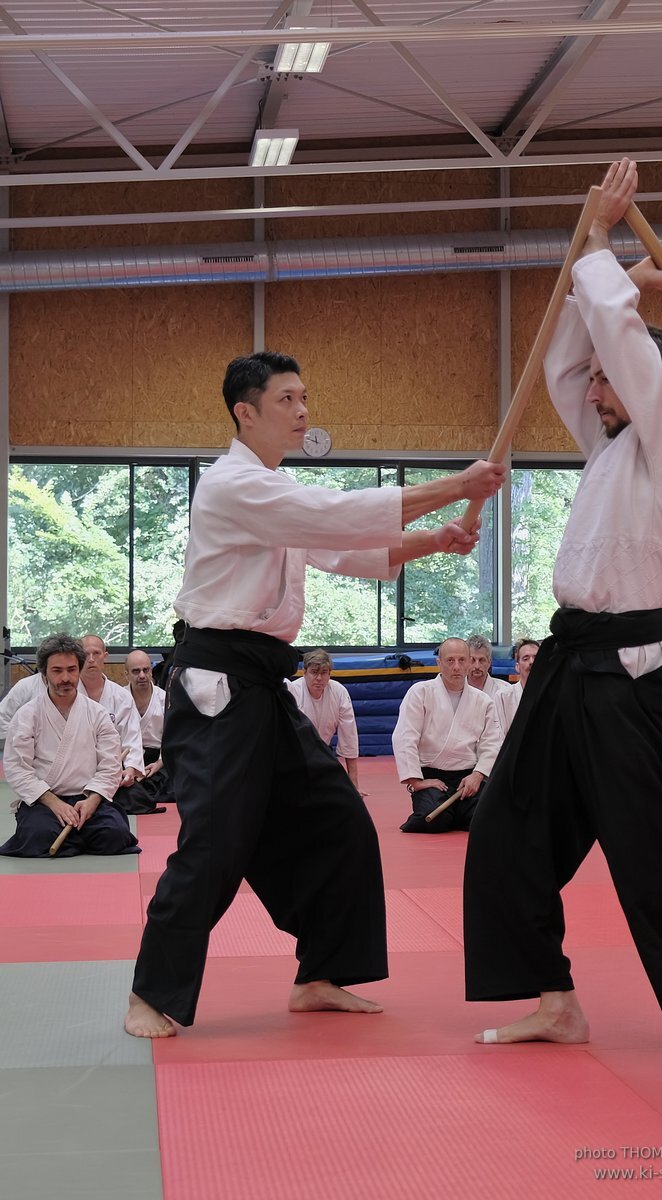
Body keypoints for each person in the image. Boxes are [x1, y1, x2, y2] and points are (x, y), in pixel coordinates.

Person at [125, 350, 505, 1038]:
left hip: (263, 683)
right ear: (246, 412)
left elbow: (345, 549)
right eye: (287, 400)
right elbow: (335, 517)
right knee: (215, 840)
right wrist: (455, 485)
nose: (303, 411)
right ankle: (150, 995)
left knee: (338, 820)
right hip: (216, 686)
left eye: (305, 397)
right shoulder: (234, 486)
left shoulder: (275, 489)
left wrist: (436, 541)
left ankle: (321, 974)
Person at [463, 159, 662, 1054]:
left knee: (638, 839)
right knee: (506, 828)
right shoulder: (611, 445)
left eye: (609, 382)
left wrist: (598, 243)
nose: (589, 393)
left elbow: (619, 348)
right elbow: (566, 357)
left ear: (651, 384)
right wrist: (614, 272)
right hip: (569, 657)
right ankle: (554, 998)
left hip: (632, 668)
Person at [0, 634, 138, 858]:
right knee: (39, 836)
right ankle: (78, 836)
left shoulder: (97, 714)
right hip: (44, 799)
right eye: (57, 671)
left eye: (72, 669)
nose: (66, 677)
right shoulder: (27, 715)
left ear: (79, 669)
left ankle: (76, 836)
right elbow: (17, 767)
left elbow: (111, 765)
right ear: (44, 674)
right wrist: (54, 803)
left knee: (115, 836)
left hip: (87, 797)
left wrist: (93, 800)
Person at [392, 637, 502, 833]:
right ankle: (453, 813)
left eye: (462, 660)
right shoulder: (420, 693)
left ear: (468, 662)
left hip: (467, 779)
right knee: (434, 818)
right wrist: (417, 782)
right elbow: (404, 737)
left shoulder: (483, 701)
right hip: (433, 777)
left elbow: (492, 742)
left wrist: (478, 775)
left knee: (492, 817)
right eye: (450, 660)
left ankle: (456, 812)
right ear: (439, 663)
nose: (457, 667)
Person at [80, 635, 150, 815]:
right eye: (85, 654)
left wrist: (130, 770)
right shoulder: (67, 696)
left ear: (105, 656)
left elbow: (132, 737)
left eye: (96, 653)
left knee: (139, 799)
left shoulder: (121, 697)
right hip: (76, 772)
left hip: (111, 772)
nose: (91, 659)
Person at [288, 649, 364, 794]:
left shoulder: (339, 692)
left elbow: (349, 735)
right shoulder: (293, 691)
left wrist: (354, 783)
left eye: (323, 673)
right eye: (314, 672)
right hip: (295, 754)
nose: (319, 678)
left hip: (323, 751)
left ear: (329, 674)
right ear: (304, 672)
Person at [125, 649, 173, 807]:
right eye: (135, 671)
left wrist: (160, 762)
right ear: (127, 675)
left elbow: (172, 737)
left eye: (146, 670)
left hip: (158, 760)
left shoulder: (164, 699)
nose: (142, 675)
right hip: (127, 760)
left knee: (171, 789)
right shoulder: (118, 698)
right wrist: (129, 766)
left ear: (151, 671)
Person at [494, 638, 539, 738]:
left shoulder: (553, 696)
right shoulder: (503, 697)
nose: (531, 662)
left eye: (536, 658)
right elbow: (498, 737)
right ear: (517, 667)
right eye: (525, 658)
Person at [466, 635, 512, 699]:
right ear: (465, 662)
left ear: (489, 662)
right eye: (472, 660)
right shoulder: (455, 689)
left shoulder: (506, 691)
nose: (477, 666)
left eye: (481, 660)